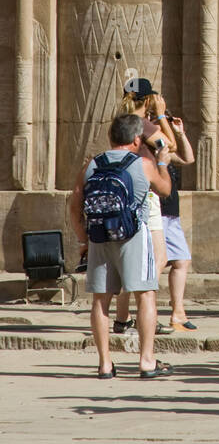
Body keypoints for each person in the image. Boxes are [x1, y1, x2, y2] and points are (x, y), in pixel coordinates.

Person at [69, 113, 173, 378]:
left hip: (99, 236)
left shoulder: (93, 164)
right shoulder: (141, 165)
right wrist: (162, 164)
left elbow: (75, 203)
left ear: (110, 137)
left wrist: (83, 239)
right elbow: (165, 189)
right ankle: (146, 361)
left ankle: (104, 363)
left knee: (101, 300)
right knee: (145, 294)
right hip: (133, 235)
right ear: (137, 139)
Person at [112, 81, 176, 333]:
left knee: (138, 260)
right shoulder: (143, 124)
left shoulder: (123, 121)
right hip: (146, 194)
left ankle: (122, 317)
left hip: (129, 191)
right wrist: (162, 115)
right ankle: (142, 316)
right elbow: (169, 146)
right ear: (148, 100)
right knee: (157, 259)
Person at [160, 113, 196, 333]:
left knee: (181, 260)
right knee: (154, 266)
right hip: (158, 212)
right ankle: (143, 315)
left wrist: (180, 134)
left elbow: (188, 159)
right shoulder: (149, 148)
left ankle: (178, 312)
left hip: (171, 214)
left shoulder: (166, 149)